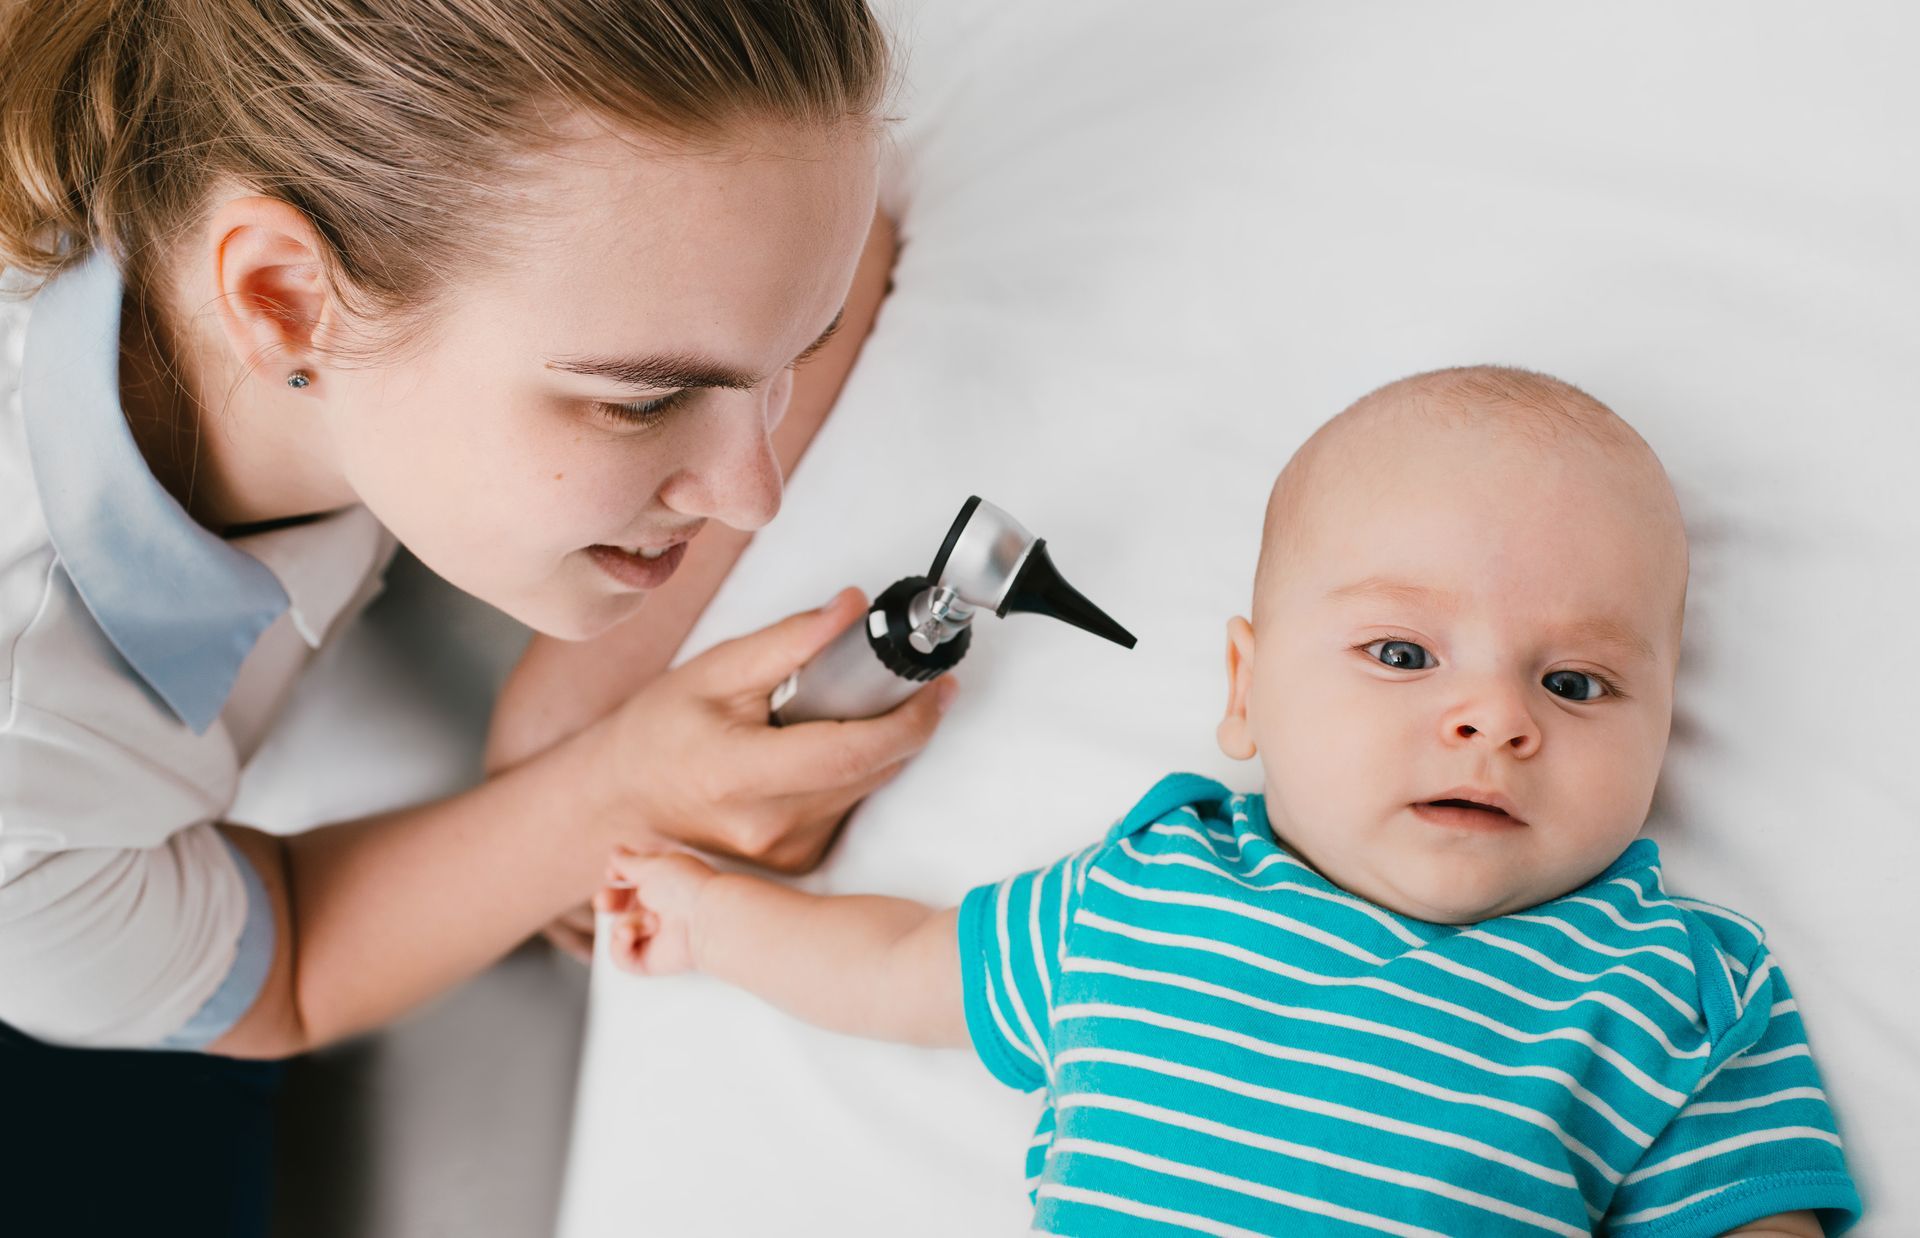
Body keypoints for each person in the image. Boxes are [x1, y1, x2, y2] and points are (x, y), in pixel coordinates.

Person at [0, 2, 948, 1234]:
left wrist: (576, 683)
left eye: (779, 371)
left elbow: (836, 246)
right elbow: (280, 965)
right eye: (645, 401)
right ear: (284, 302)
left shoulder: (417, 255)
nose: (749, 502)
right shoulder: (29, 787)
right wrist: (602, 788)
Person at [599, 367, 1862, 1237]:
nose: (1496, 718)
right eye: (1405, 655)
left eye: (1576, 680)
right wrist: (712, 917)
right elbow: (903, 963)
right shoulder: (1149, 886)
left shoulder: (1674, 983)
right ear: (1246, 693)